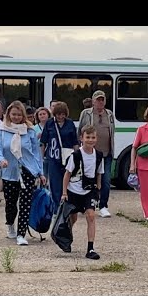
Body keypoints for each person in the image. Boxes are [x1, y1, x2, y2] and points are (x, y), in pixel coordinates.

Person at [0, 100, 46, 246]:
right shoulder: (1, 130)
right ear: (8, 114)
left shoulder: (29, 131)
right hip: (9, 172)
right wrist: (0, 159)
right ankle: (10, 223)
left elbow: (36, 153)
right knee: (11, 203)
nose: (16, 117)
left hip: (27, 170)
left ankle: (21, 234)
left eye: (19, 114)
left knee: (25, 203)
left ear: (23, 115)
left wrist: (40, 172)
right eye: (13, 114)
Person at [62, 125, 104, 260]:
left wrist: (98, 189)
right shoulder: (75, 156)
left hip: (89, 191)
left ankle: (90, 248)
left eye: (93, 137)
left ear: (96, 139)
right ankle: (66, 238)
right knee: (72, 218)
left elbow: (99, 173)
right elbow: (67, 175)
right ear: (81, 138)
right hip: (73, 191)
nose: (90, 140)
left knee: (91, 216)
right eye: (87, 137)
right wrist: (64, 193)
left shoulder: (98, 156)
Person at [78, 90, 115, 218]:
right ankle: (86, 204)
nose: (100, 102)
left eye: (102, 99)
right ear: (93, 101)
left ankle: (103, 205)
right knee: (88, 179)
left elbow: (112, 132)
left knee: (105, 180)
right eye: (98, 99)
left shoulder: (109, 114)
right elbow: (80, 131)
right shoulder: (86, 113)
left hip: (106, 153)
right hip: (90, 154)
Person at [40, 102, 79, 216]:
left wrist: (77, 157)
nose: (60, 116)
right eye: (58, 114)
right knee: (55, 184)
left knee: (69, 182)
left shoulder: (70, 123)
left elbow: (74, 142)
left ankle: (68, 206)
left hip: (67, 158)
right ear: (54, 114)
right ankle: (57, 209)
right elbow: (43, 141)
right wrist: (42, 158)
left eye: (62, 114)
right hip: (53, 158)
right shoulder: (50, 123)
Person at [34, 107, 51, 180]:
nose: (42, 116)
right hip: (39, 154)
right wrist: (37, 137)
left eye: (44, 114)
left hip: (49, 153)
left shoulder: (52, 126)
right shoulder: (34, 128)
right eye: (40, 114)